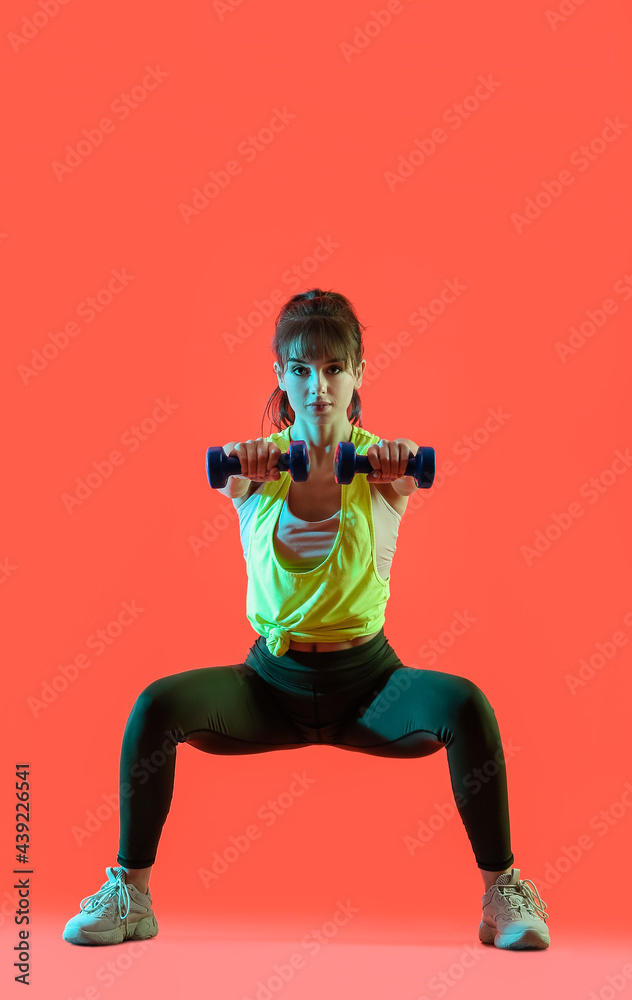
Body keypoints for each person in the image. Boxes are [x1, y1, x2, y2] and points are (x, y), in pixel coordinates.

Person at [63, 288, 550, 950]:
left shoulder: (383, 470)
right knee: (155, 705)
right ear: (280, 376)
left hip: (371, 688)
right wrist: (246, 466)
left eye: (332, 368)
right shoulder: (254, 469)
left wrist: (402, 465)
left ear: (358, 373)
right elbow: (226, 476)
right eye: (300, 369)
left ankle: (503, 894)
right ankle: (131, 895)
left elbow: (406, 471)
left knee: (466, 704)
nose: (317, 385)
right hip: (270, 687)